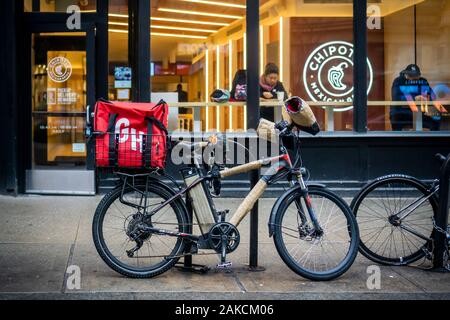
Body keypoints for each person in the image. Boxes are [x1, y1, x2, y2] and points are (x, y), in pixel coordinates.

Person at [391, 64, 440, 131]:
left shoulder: (423, 81)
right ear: (406, 74)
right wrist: (415, 98)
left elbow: (432, 96)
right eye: (411, 76)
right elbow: (396, 98)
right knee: (396, 122)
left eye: (416, 77)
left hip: (420, 113)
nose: (413, 79)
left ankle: (434, 140)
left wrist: (426, 98)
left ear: (419, 75)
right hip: (402, 113)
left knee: (436, 118)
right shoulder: (398, 81)